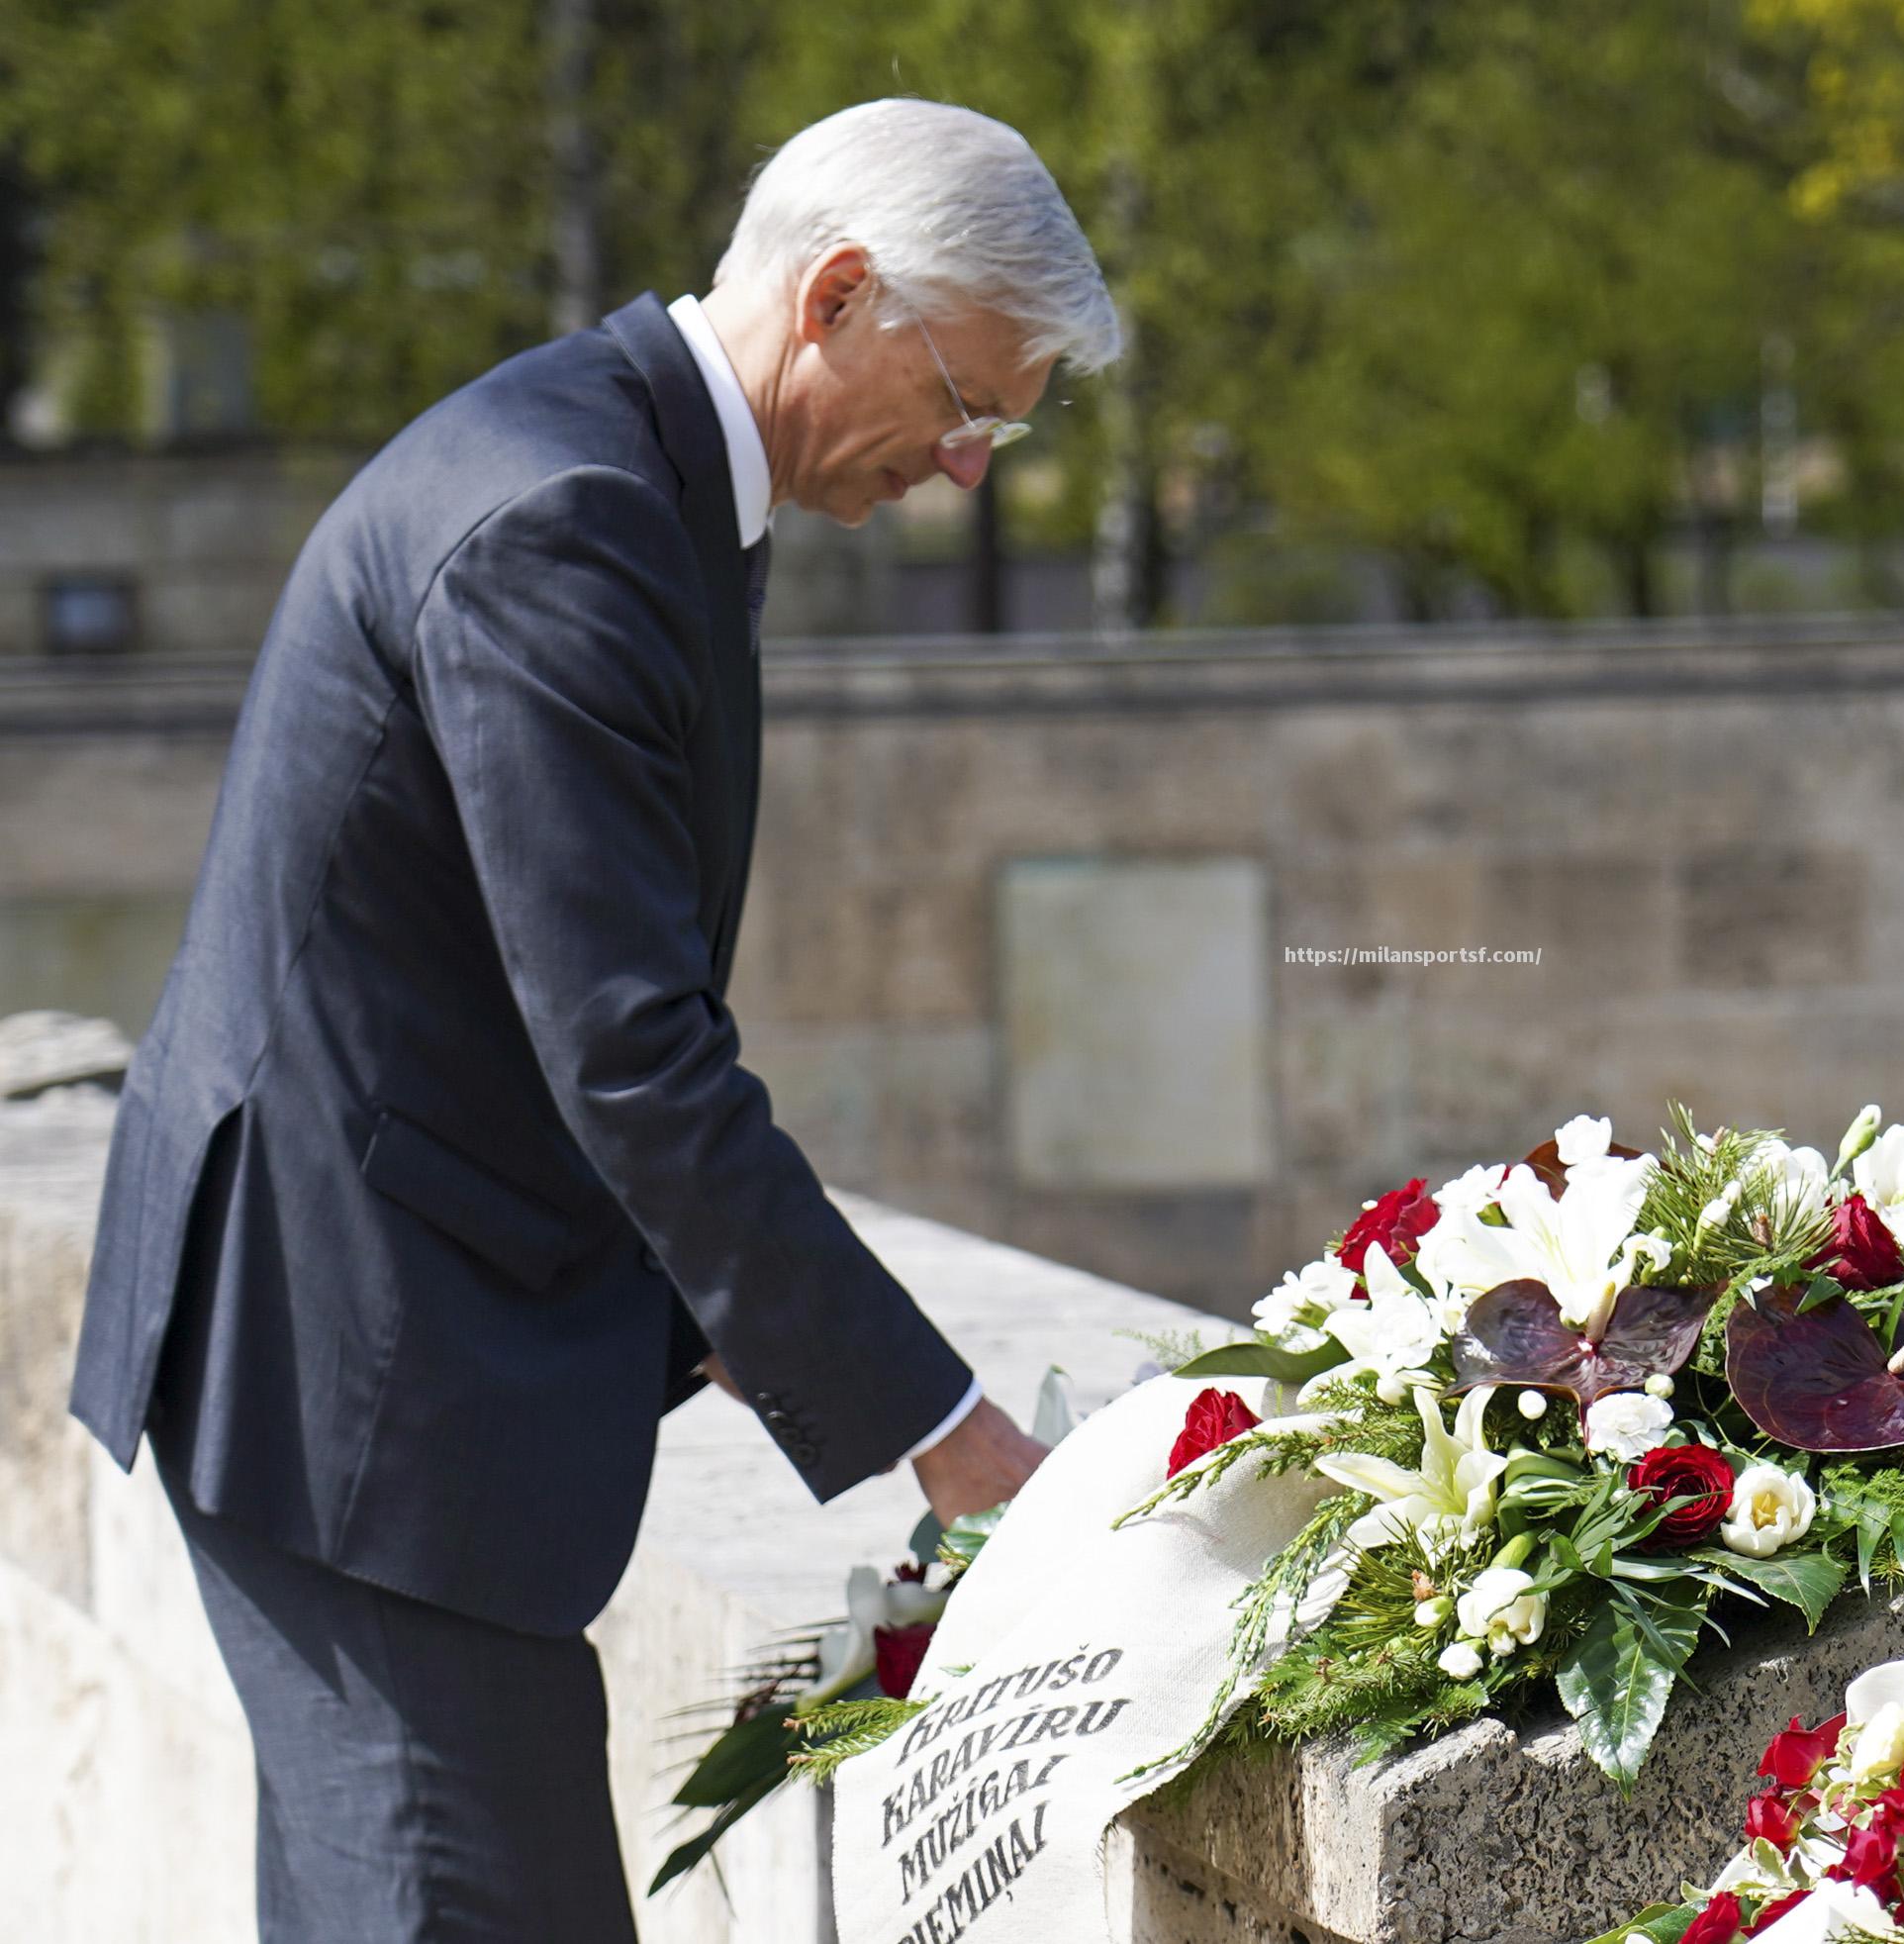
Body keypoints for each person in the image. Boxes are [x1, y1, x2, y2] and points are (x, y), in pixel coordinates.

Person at [63, 98, 1119, 1941]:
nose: (968, 465)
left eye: (1001, 423)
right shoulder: (571, 514)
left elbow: (528, 978)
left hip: (361, 1344)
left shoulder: (626, 467)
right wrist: (949, 1434)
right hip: (358, 1380)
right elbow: (633, 1052)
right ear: (841, 294)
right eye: (968, 400)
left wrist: (727, 1311)